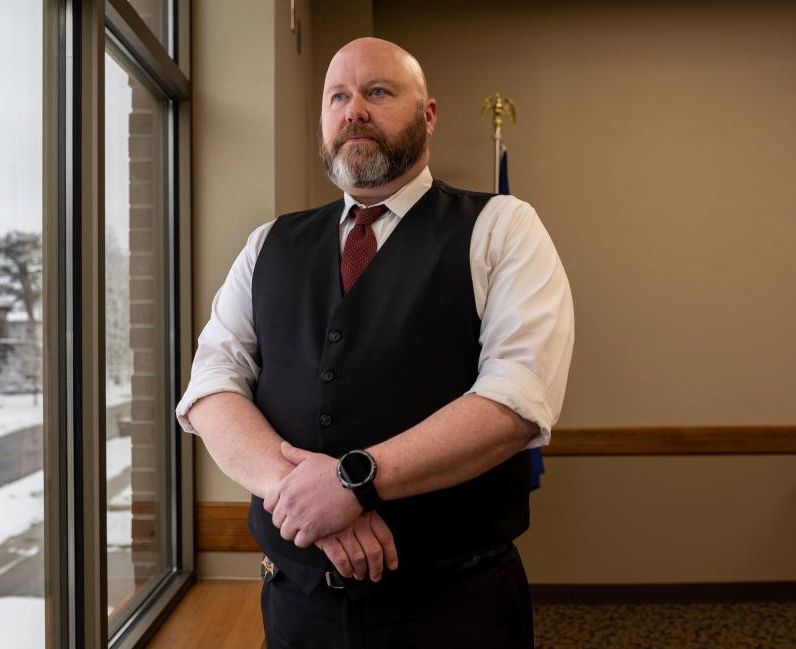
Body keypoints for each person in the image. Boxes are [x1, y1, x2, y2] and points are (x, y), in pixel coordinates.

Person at [177, 36, 574, 649]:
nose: (353, 109)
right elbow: (211, 388)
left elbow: (518, 398)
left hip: (452, 610)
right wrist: (305, 501)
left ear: (429, 114)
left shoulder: (502, 228)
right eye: (338, 95)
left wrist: (353, 484)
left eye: (378, 92)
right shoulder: (267, 245)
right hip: (295, 606)